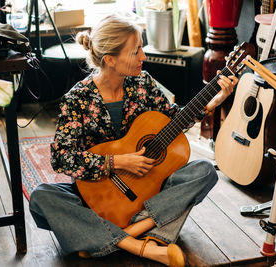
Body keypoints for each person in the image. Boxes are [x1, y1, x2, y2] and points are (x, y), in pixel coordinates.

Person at [29, 14, 238, 267]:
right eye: (135, 51)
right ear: (110, 59)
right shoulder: (77, 100)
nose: (143, 57)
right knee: (42, 197)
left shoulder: (143, 83)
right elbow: (61, 158)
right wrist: (117, 162)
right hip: (98, 195)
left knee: (205, 171)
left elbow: (174, 119)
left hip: (146, 191)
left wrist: (214, 102)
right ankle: (142, 245)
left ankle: (109, 236)